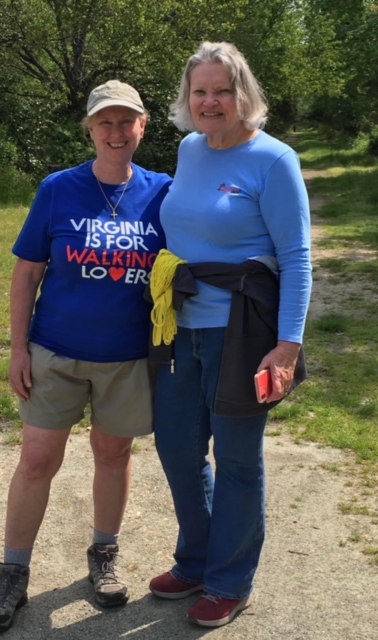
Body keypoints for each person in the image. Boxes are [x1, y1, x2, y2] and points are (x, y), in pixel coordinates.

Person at [0, 80, 172, 633]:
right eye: (104, 121)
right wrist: (18, 349)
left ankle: (103, 556)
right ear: (89, 129)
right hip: (55, 351)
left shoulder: (164, 192)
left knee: (113, 454)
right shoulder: (59, 188)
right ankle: (13, 574)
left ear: (143, 127)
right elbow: (27, 273)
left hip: (127, 357)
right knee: (38, 459)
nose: (116, 131)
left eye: (126, 121)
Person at [148, 42, 312, 628]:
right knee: (178, 448)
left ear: (244, 94)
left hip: (242, 332)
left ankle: (229, 581)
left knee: (238, 459)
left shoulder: (274, 160)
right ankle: (196, 561)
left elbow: (297, 259)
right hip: (178, 326)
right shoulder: (189, 149)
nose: (211, 101)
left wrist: (287, 347)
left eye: (223, 90)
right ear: (187, 98)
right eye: (201, 91)